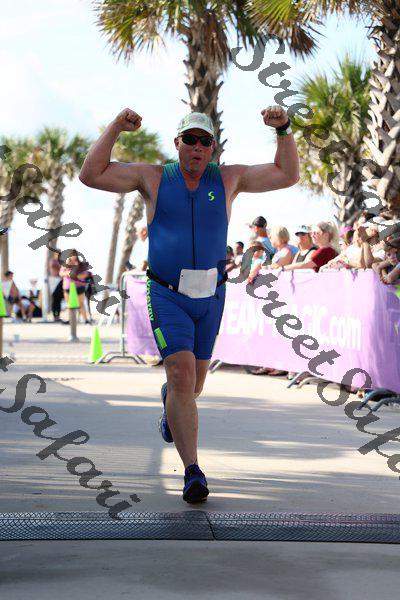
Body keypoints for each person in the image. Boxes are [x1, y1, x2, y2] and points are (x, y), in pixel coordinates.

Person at [79, 105, 299, 503]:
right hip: (167, 293)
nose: (197, 147)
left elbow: (287, 174)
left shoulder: (229, 178)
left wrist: (283, 128)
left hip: (211, 295)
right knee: (181, 376)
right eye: (190, 140)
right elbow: (90, 175)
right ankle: (193, 471)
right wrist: (114, 127)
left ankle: (171, 405)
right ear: (177, 143)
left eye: (204, 141)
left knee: (192, 386)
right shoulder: (152, 177)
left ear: (213, 147)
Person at [59, 250, 91, 324]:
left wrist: (76, 274)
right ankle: (69, 319)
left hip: (79, 287)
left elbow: (85, 274)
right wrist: (68, 273)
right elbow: (61, 273)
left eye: (74, 255)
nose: (73, 257)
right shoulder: (65, 264)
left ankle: (86, 319)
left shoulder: (81, 265)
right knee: (68, 304)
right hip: (68, 287)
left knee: (81, 304)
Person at [49, 251, 63, 322]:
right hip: (54, 280)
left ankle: (58, 316)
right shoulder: (53, 261)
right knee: (55, 299)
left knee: (59, 299)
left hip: (60, 280)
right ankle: (55, 316)